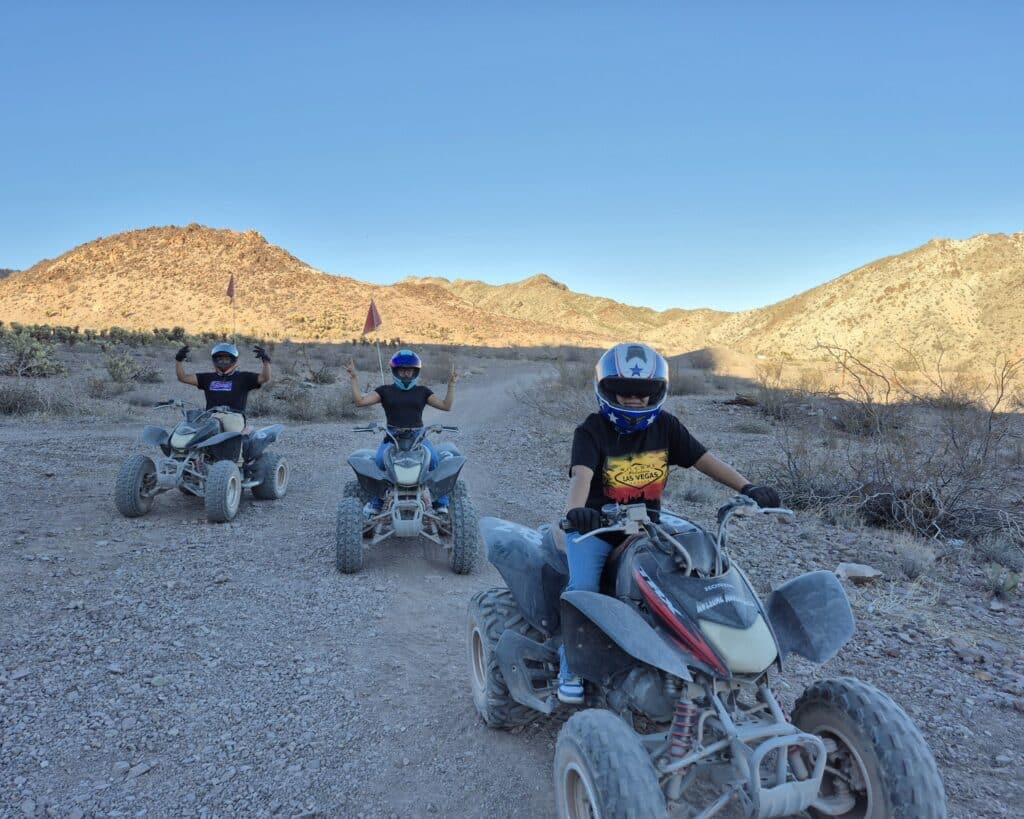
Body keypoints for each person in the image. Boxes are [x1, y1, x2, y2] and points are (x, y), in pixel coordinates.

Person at [557, 342, 780, 704]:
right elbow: (581, 476)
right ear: (605, 390)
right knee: (584, 589)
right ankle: (572, 666)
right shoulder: (591, 430)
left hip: (647, 530)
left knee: (694, 576)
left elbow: (706, 460)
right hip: (595, 530)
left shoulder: (666, 427)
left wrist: (748, 487)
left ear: (656, 393)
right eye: (623, 393)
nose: (633, 401)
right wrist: (576, 513)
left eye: (642, 393)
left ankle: (695, 656)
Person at [345, 349, 458, 516]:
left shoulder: (423, 391)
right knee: (379, 463)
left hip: (418, 437)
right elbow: (360, 401)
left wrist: (451, 385)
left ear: (415, 371)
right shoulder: (384, 391)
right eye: (402, 370)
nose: (406, 373)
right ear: (395, 371)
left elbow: (445, 406)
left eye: (409, 370)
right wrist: (354, 378)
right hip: (392, 437)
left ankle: (440, 503)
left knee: (433, 460)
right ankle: (378, 502)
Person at [174, 342, 271, 434]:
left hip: (234, 416)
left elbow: (264, 378)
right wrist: (179, 361)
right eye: (220, 358)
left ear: (233, 360)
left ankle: (237, 450)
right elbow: (183, 377)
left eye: (227, 359)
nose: (223, 361)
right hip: (211, 416)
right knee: (195, 438)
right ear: (215, 360)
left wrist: (266, 362)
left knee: (232, 439)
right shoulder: (207, 378)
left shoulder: (244, 377)